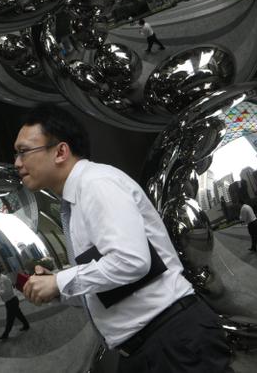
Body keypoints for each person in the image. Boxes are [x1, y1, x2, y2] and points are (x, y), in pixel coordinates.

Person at [19, 104, 229, 372]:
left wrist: (60, 282)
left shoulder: (96, 184)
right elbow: (113, 284)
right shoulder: (77, 198)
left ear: (61, 151)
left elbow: (132, 261)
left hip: (173, 340)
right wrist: (55, 287)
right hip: (147, 347)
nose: (17, 163)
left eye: (24, 151)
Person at [0, 266, 30, 340]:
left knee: (9, 319)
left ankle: (5, 334)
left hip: (11, 301)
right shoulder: (1, 278)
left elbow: (5, 291)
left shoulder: (2, 279)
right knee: (18, 314)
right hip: (12, 300)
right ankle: (26, 325)